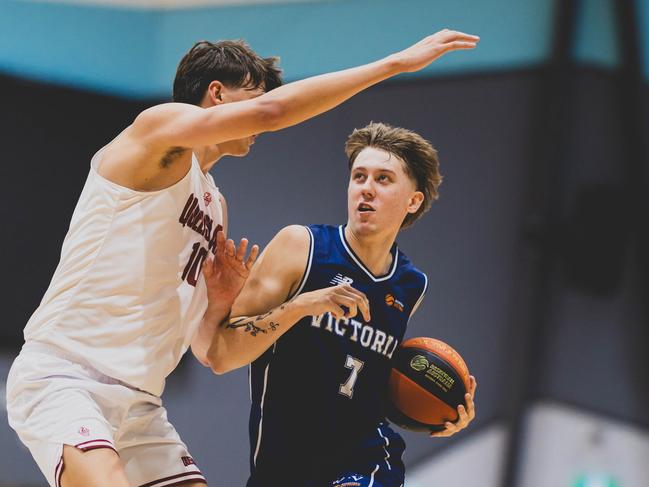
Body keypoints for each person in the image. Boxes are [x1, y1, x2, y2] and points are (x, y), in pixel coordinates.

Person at [6, 32, 479, 487]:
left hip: (140, 401)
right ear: (217, 93)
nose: (259, 119)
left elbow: (211, 351)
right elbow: (274, 110)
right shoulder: (157, 133)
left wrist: (217, 306)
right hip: (66, 375)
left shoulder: (214, 205)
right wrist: (394, 64)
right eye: (251, 99)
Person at [205, 122, 477, 487]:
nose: (366, 188)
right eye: (359, 176)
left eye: (383, 179)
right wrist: (302, 305)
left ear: (413, 200)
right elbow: (222, 356)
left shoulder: (411, 285)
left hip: (364, 459)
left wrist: (439, 412)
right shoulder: (301, 247)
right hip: (282, 466)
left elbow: (367, 382)